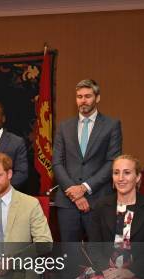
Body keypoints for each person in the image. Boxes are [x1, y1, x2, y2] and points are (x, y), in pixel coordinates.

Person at [52, 79, 122, 242]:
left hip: (98, 200)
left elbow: (112, 162)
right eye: (79, 96)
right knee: (70, 256)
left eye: (88, 96)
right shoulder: (64, 127)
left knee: (100, 255)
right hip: (67, 202)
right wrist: (74, 192)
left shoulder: (111, 125)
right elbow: (57, 162)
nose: (83, 100)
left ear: (97, 98)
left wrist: (84, 188)